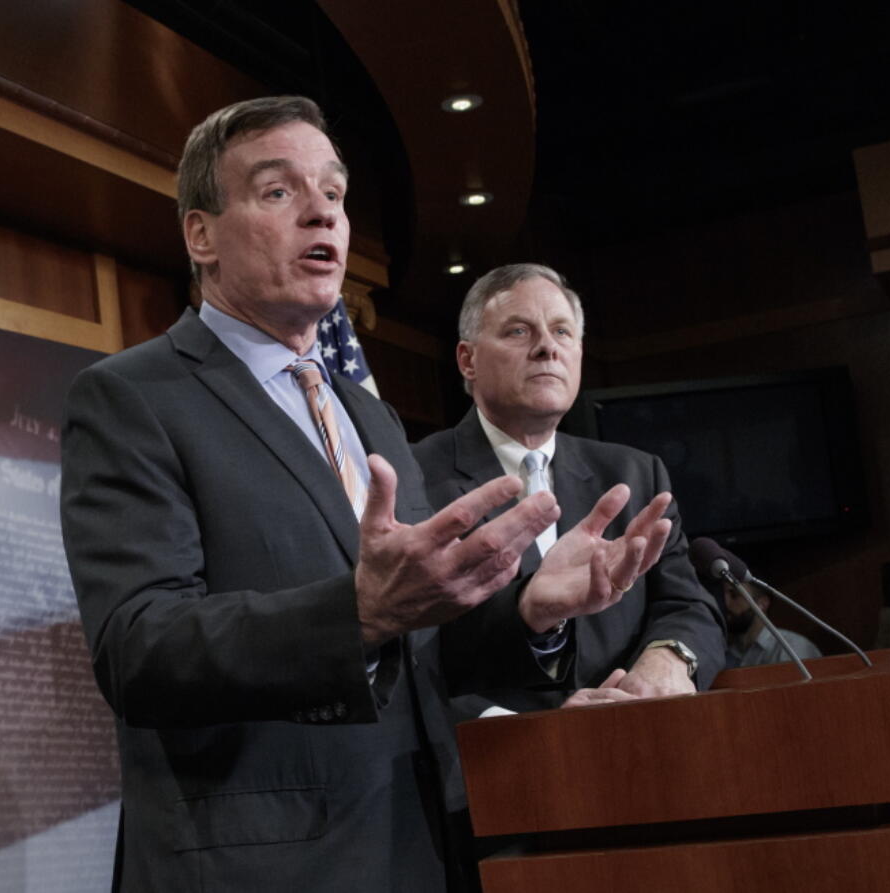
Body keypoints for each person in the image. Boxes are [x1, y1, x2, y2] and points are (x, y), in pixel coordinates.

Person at [59, 98, 673, 892]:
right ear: (200, 234)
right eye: (279, 191)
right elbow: (138, 647)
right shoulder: (132, 397)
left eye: (335, 193)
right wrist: (359, 614)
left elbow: (417, 642)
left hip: (416, 843)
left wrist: (529, 609)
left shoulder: (369, 414)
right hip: (262, 865)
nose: (322, 209)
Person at [413, 263, 726, 716]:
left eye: (562, 331)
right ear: (468, 360)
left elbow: (686, 604)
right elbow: (410, 651)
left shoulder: (635, 475)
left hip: (640, 748)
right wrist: (535, 730)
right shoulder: (415, 476)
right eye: (519, 331)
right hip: (490, 765)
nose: (547, 348)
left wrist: (671, 658)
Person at [720, 579, 821, 668]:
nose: (725, 603)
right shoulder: (726, 654)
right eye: (722, 596)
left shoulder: (791, 648)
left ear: (762, 604)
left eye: (734, 595)